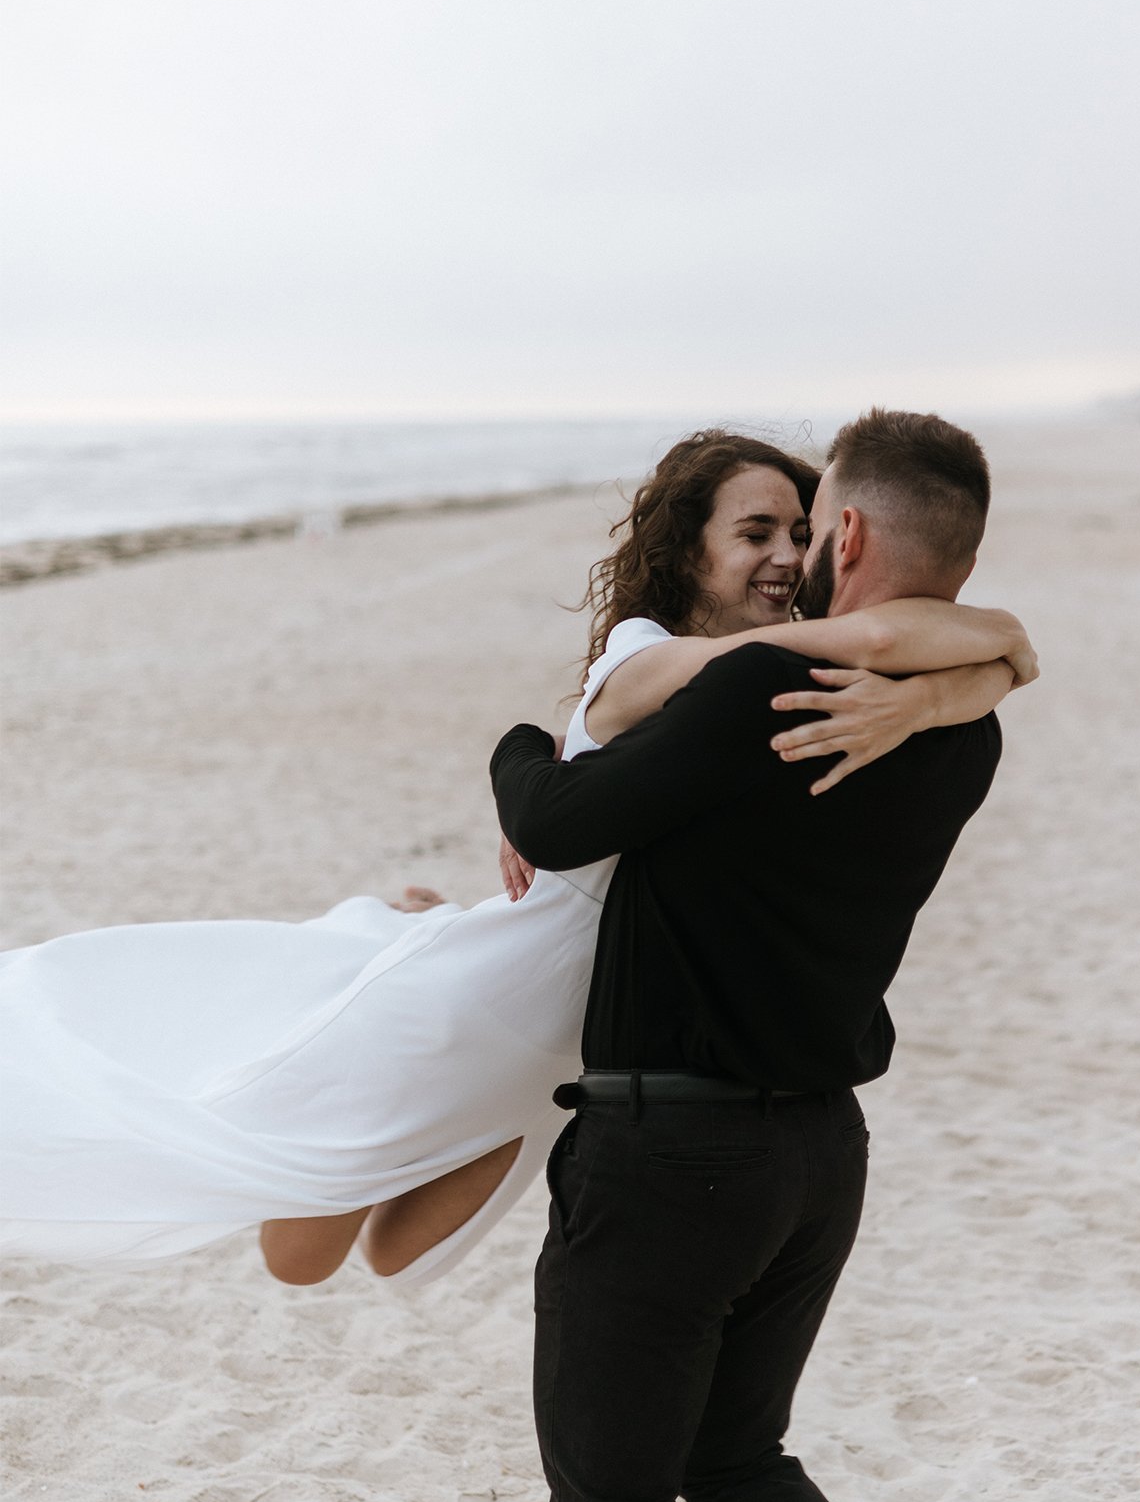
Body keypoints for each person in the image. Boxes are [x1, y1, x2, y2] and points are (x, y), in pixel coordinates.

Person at [0, 430, 1033, 1285]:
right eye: (753, 530)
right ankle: (398, 957)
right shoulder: (647, 653)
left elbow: (935, 642)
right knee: (295, 1250)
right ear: (686, 554)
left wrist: (953, 683)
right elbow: (935, 638)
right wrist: (979, 660)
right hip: (490, 993)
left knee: (391, 1255)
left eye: (801, 532)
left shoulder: (779, 680)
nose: (782, 553)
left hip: (574, 1047)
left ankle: (405, 947)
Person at [491, 408, 1014, 1502]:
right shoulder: (962, 724)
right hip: (817, 1163)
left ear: (844, 539)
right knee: (743, 1457)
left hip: (667, 1155)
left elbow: (558, 817)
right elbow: (988, 646)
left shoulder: (761, 698)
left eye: (809, 528)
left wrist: (516, 739)